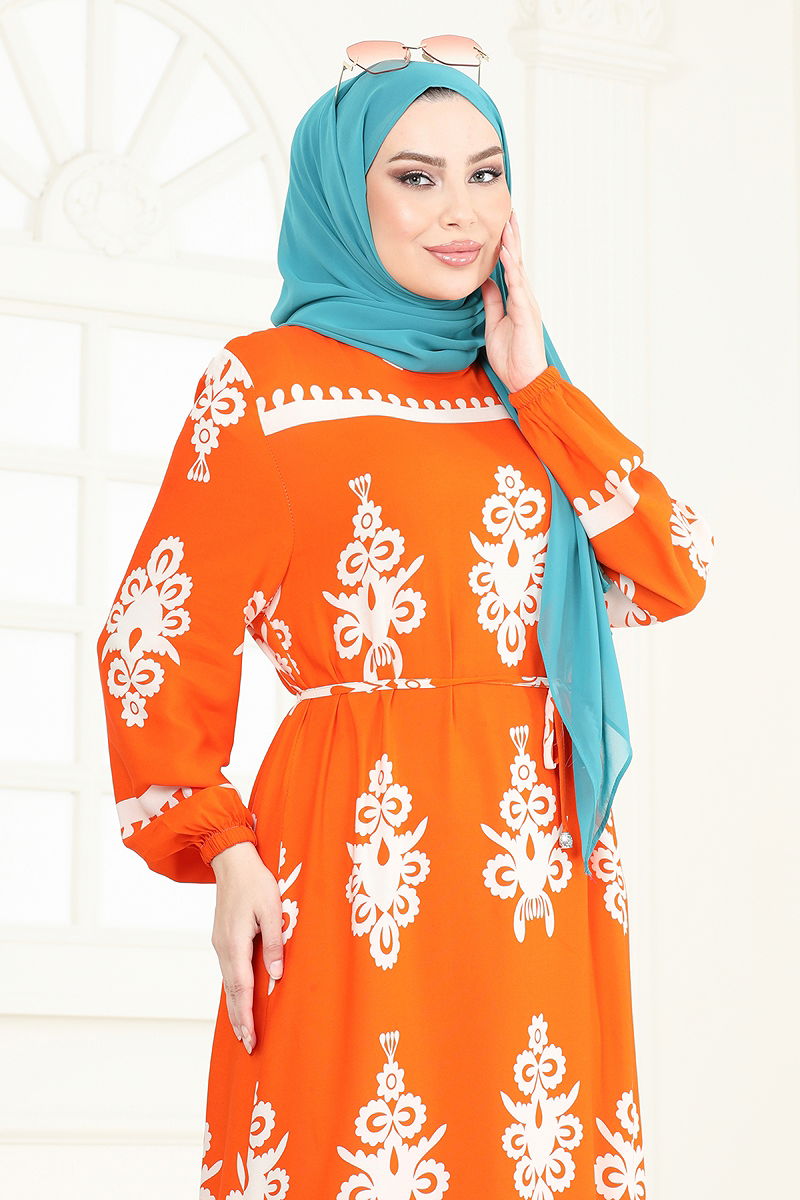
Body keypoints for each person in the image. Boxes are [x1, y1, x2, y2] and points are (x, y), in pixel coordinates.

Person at [96, 53, 714, 1199]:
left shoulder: (518, 385)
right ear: (346, 193)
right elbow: (151, 641)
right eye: (416, 178)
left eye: (485, 173)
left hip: (534, 858)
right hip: (357, 853)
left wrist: (539, 389)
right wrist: (226, 850)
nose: (461, 213)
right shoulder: (266, 388)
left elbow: (672, 570)